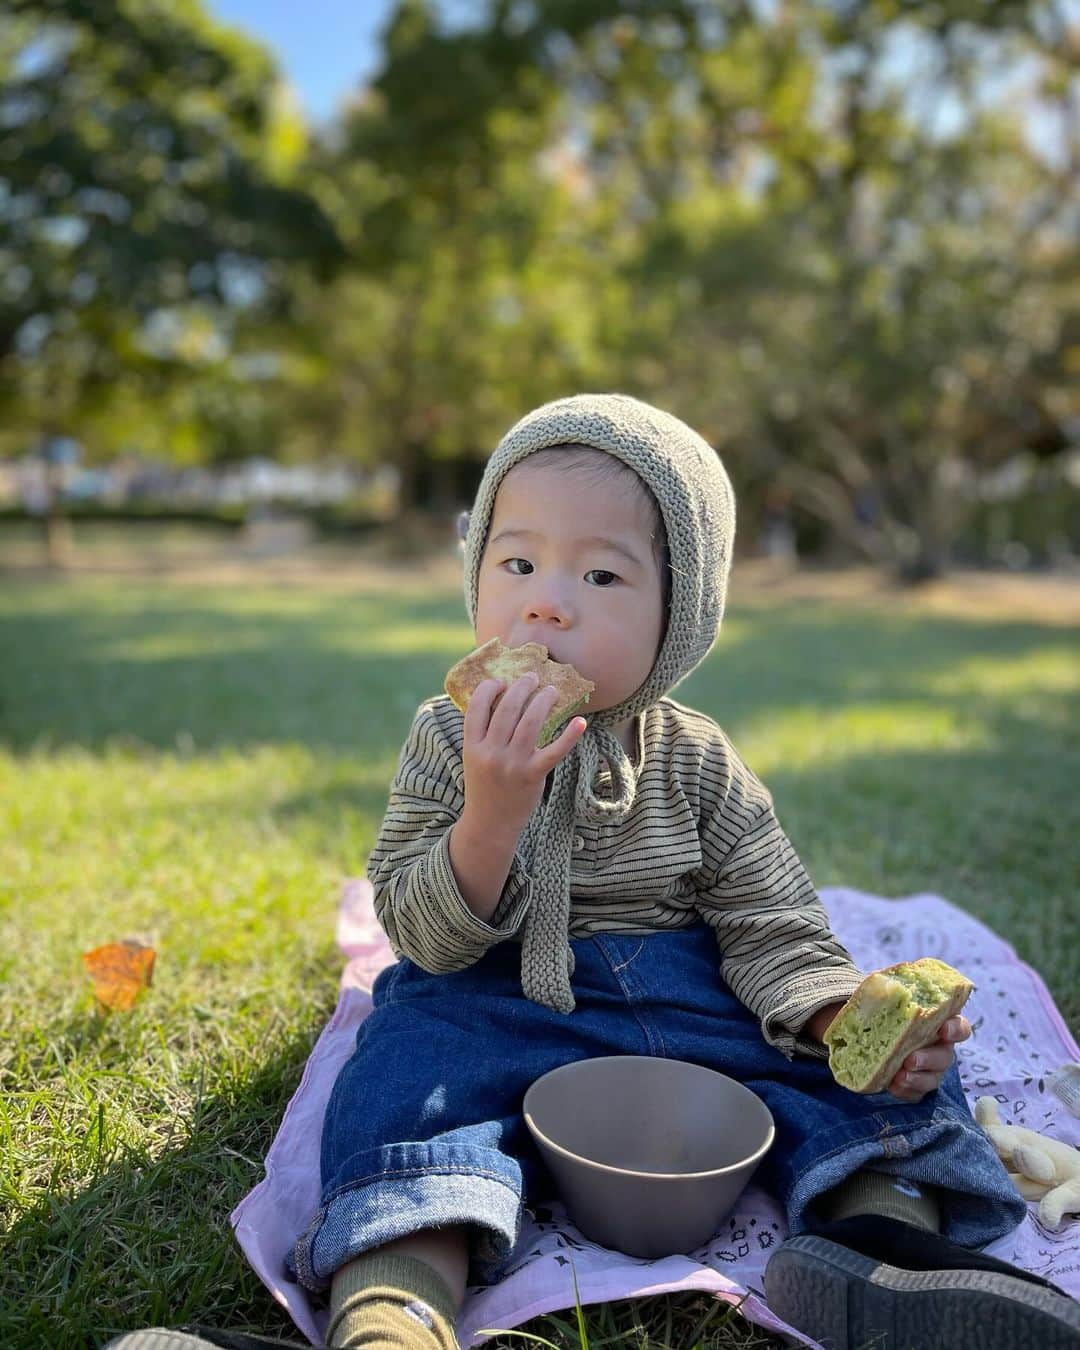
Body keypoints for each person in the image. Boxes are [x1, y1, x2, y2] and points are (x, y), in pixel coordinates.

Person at [104, 395, 1080, 1350]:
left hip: (690, 994)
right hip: (497, 996)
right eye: (517, 561)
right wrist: (488, 817)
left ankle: (883, 1256)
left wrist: (844, 1023)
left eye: (602, 578)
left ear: (680, 616)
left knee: (875, 1086)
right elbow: (421, 930)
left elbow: (771, 917)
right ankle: (393, 1313)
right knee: (406, 1074)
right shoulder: (447, 738)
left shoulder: (697, 759)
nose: (545, 600)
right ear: (477, 573)